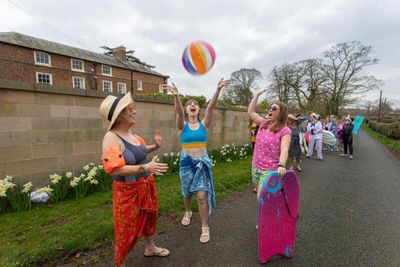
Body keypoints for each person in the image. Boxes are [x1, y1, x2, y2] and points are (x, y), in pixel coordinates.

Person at [100, 92, 170, 267]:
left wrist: (156, 145)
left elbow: (139, 152)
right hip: (127, 192)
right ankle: (120, 263)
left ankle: (150, 248)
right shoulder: (111, 138)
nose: (134, 111)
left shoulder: (130, 134)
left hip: (145, 186)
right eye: (129, 109)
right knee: (126, 229)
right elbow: (114, 169)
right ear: (119, 116)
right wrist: (145, 168)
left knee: (149, 217)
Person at [164, 78, 230, 243]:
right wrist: (177, 97)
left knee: (201, 196)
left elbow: (211, 107)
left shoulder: (204, 125)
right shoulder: (182, 126)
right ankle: (187, 211)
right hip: (186, 165)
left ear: (198, 109)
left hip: (201, 164)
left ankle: (205, 227)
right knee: (187, 193)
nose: (192, 105)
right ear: (187, 110)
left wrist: (218, 89)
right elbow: (178, 112)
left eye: (195, 104)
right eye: (189, 104)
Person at [248, 90, 291, 197]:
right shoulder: (263, 123)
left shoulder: (285, 130)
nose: (270, 110)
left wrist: (281, 165)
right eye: (270, 108)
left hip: (270, 169)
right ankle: (274, 211)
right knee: (264, 198)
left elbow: (285, 149)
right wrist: (256, 95)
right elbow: (251, 112)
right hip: (256, 165)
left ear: (281, 113)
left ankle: (272, 212)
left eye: (274, 108)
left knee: (261, 198)